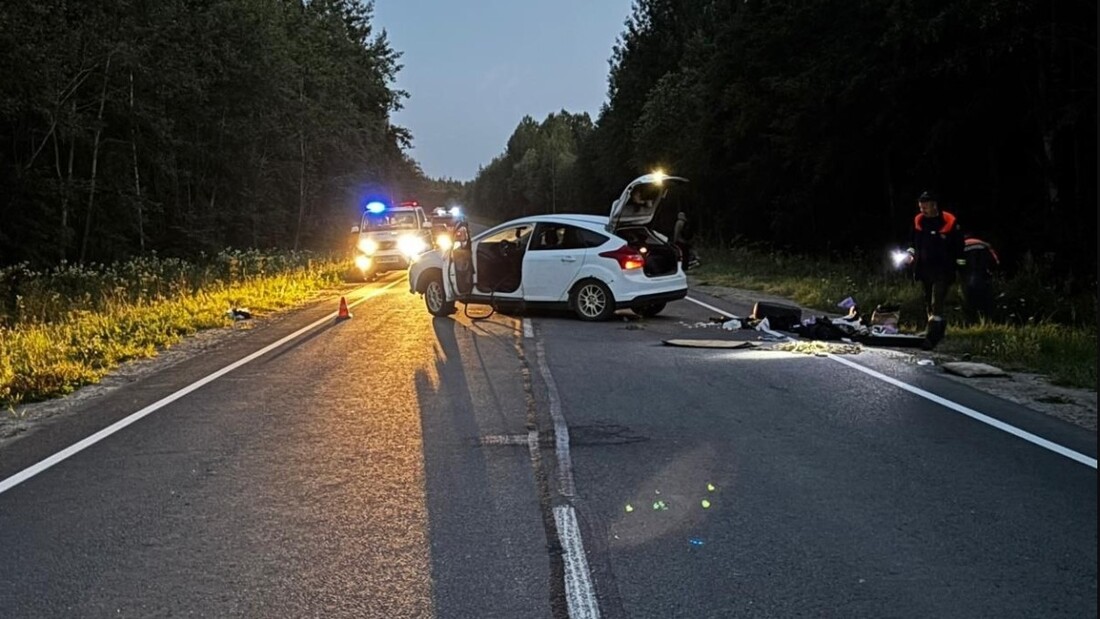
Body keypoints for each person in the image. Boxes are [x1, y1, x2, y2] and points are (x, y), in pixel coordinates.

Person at [904, 191, 965, 346]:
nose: (922, 210)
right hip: (924, 268)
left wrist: (960, 266)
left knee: (936, 301)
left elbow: (959, 246)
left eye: (925, 207)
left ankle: (931, 338)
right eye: (920, 207)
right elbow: (912, 242)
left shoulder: (949, 221)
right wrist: (910, 255)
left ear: (934, 205)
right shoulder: (918, 221)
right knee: (927, 300)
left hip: (944, 269)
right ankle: (935, 329)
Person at [961, 232, 1000, 322]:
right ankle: (989, 322)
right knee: (987, 302)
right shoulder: (984, 244)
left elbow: (958, 262)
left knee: (970, 304)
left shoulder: (961, 246)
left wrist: (963, 269)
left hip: (968, 277)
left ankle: (972, 324)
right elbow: (995, 261)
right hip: (984, 276)